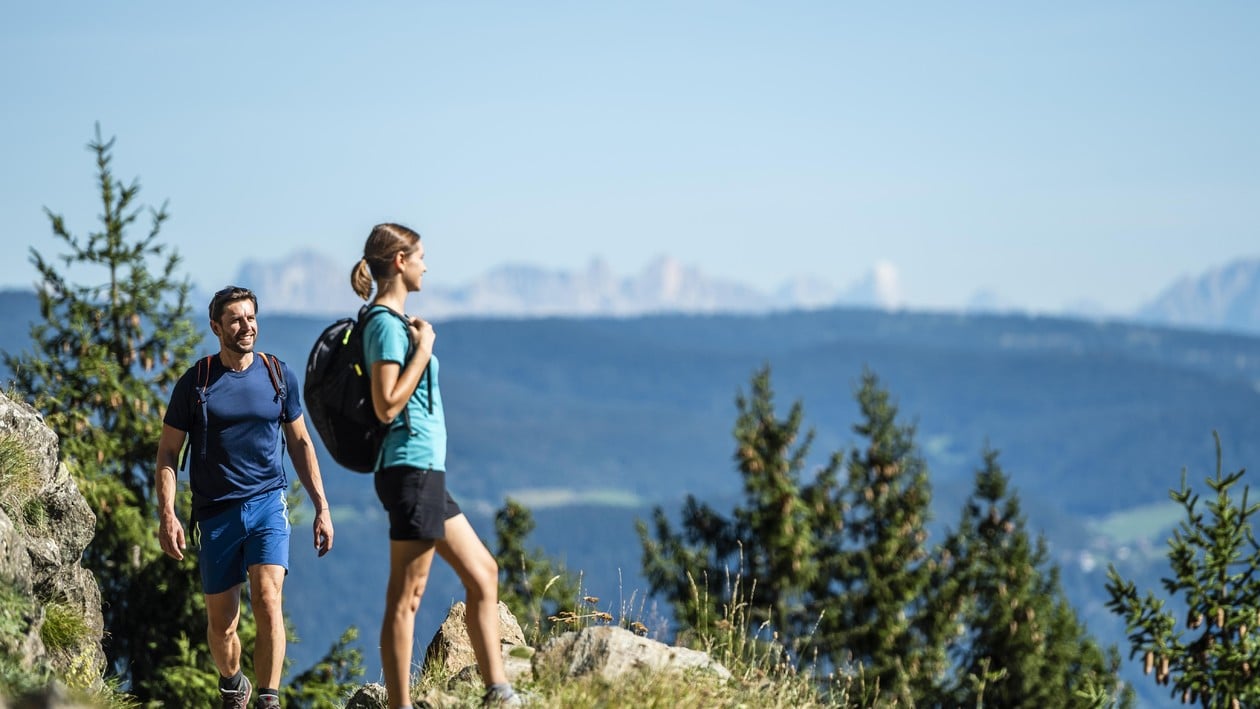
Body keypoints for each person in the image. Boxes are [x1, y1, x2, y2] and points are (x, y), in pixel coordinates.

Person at [351, 223, 520, 708]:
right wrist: (424, 350)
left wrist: (418, 342)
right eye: (421, 256)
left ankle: (499, 692)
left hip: (424, 472)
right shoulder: (383, 323)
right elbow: (386, 405)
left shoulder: (395, 322)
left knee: (483, 573)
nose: (427, 265)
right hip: (409, 470)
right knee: (406, 598)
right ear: (400, 261)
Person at [156, 286, 335, 709]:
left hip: (268, 504)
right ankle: (234, 684)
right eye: (235, 319)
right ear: (216, 326)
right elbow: (167, 452)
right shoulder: (196, 382)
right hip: (216, 514)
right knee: (222, 627)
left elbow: (301, 443)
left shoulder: (277, 374)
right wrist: (168, 512)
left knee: (269, 600)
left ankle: (268, 699)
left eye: (250, 317)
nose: (246, 326)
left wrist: (322, 507)